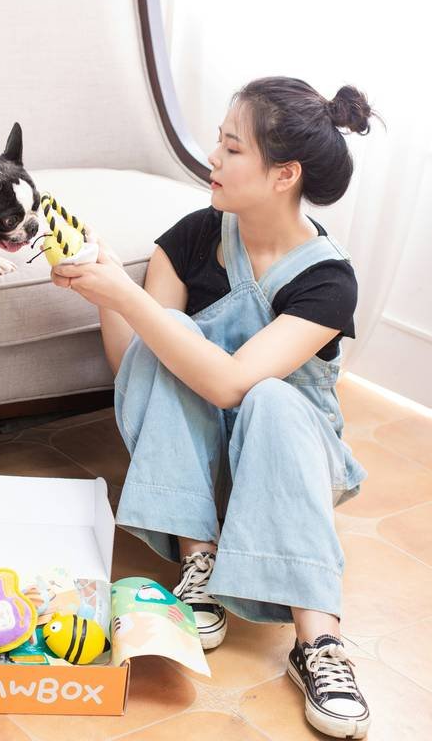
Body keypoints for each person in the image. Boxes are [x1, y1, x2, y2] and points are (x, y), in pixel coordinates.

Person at [50, 76, 377, 739]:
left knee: (272, 399)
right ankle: (199, 561)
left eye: (231, 150)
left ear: (284, 174)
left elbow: (233, 387)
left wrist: (134, 300)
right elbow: (133, 367)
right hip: (190, 465)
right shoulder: (195, 236)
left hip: (282, 462)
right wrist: (111, 291)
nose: (212, 161)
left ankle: (320, 642)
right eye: (219, 143)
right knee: (165, 347)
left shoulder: (325, 280)